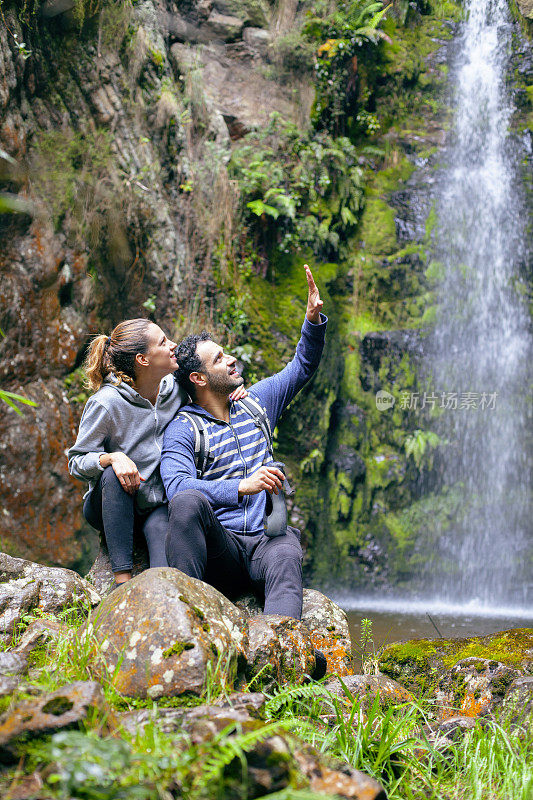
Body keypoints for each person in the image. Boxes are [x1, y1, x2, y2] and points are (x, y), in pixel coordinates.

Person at [160, 264, 327, 622]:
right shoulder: (184, 428)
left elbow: (302, 366)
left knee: (287, 550)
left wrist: (312, 320)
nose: (231, 358)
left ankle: (284, 650)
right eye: (218, 359)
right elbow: (176, 487)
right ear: (198, 378)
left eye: (225, 352)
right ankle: (186, 625)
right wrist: (242, 486)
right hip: (223, 548)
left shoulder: (257, 402)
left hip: (268, 541)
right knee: (188, 502)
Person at [67, 318, 246, 590]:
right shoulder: (106, 402)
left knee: (164, 579)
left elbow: (208, 388)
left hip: (157, 506)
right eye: (163, 342)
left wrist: (232, 391)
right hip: (112, 503)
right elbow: (77, 461)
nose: (172, 345)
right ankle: (121, 583)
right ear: (143, 359)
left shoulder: (174, 388)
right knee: (113, 476)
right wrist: (112, 458)